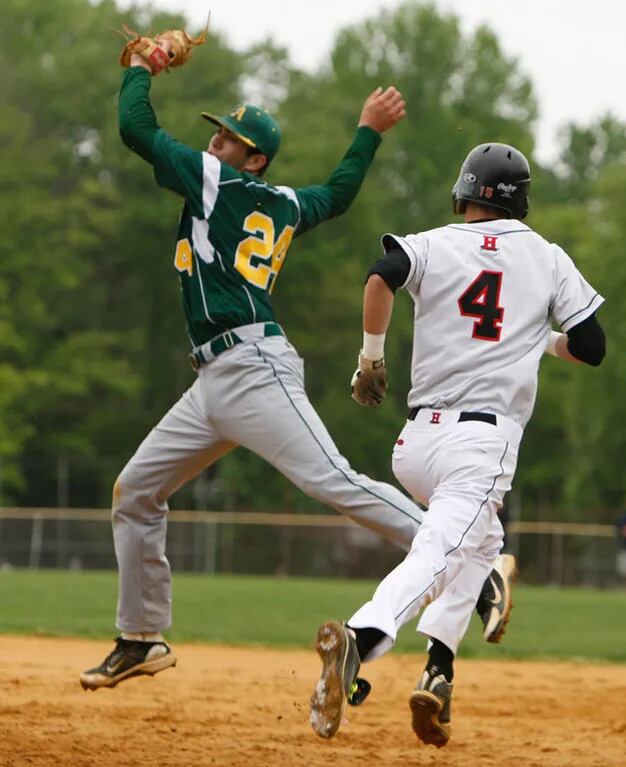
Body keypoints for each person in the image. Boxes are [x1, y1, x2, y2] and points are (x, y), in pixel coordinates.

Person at [80, 38, 511, 690]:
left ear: (252, 157)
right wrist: (366, 131)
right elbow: (335, 195)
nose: (216, 143)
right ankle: (141, 636)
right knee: (135, 491)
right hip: (213, 380)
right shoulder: (279, 200)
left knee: (337, 481)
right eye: (217, 136)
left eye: (228, 138)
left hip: (255, 368)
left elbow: (134, 128)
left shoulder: (212, 179)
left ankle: (473, 561)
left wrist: (143, 68)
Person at [310, 142, 606, 746]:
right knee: (441, 550)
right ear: (521, 200)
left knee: (480, 544)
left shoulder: (432, 242)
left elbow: (380, 276)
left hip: (416, 444)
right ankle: (362, 638)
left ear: (463, 193)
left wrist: (370, 356)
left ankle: (439, 671)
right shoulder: (547, 258)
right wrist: (537, 339)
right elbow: (592, 345)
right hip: (483, 442)